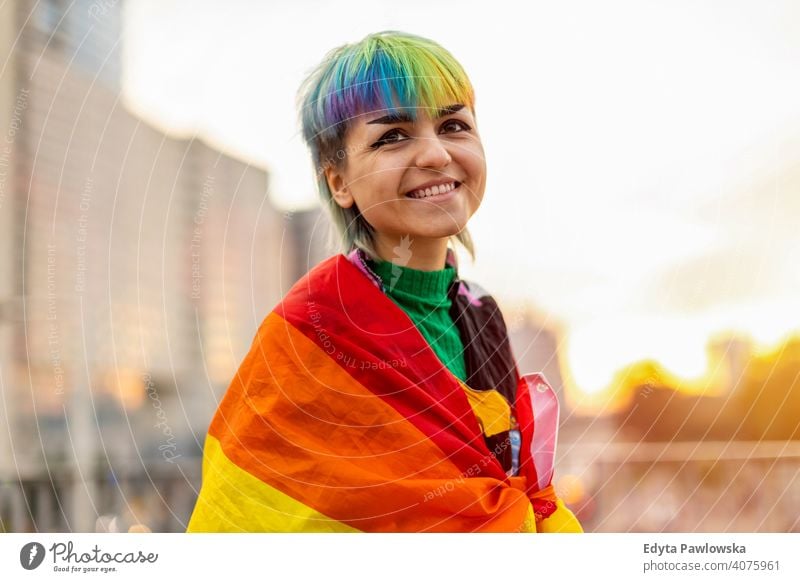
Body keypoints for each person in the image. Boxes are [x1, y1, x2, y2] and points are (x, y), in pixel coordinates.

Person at [187, 30, 582, 533]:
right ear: (339, 182)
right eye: (392, 136)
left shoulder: (481, 312)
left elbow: (498, 478)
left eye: (454, 124)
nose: (437, 155)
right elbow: (248, 525)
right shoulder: (309, 332)